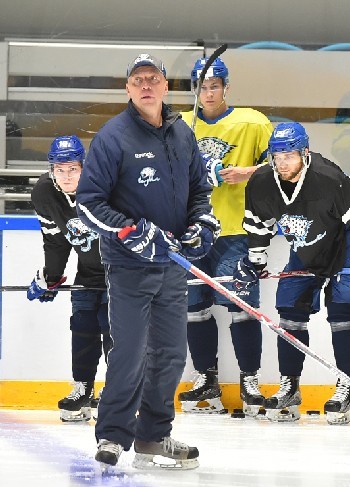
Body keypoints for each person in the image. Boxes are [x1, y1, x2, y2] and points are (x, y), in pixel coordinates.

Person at [76, 53, 218, 469]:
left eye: (152, 78)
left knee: (171, 353)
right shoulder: (112, 137)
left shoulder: (181, 134)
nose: (146, 86)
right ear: (128, 89)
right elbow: (88, 204)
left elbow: (199, 192)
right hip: (129, 267)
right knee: (130, 352)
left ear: (165, 86)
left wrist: (201, 226)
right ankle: (113, 436)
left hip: (173, 266)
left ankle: (154, 436)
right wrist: (132, 232)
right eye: (137, 80)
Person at [232, 122, 350, 425]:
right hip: (309, 244)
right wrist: (255, 261)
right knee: (289, 308)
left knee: (343, 312)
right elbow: (259, 225)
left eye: (289, 155)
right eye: (277, 155)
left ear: (305, 153)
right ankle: (290, 386)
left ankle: (346, 387)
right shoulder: (261, 182)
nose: (282, 162)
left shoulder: (329, 179)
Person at [177, 56, 274, 417]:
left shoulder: (253, 123)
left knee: (242, 308)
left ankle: (250, 380)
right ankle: (206, 378)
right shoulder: (180, 125)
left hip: (238, 232)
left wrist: (248, 172)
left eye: (215, 85)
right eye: (202, 87)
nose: (209, 92)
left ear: (227, 87)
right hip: (193, 231)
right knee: (194, 309)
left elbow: (288, 163)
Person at [28, 135, 112, 422]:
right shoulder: (44, 193)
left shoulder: (105, 186)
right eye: (59, 169)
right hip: (87, 272)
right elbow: (55, 241)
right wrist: (49, 278)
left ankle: (116, 391)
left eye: (72, 169)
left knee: (113, 328)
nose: (66, 176)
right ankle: (83, 388)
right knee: (83, 326)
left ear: (84, 167)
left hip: (121, 272)